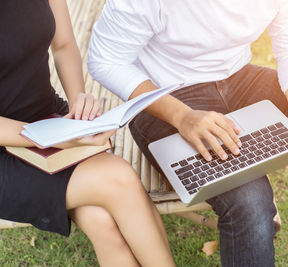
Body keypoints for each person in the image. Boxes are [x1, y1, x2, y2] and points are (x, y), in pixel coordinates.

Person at [87, 0, 288, 266]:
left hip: (239, 77)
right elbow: (105, 59)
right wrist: (182, 116)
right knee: (250, 201)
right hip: (167, 95)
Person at [0, 1, 176, 266]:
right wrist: (54, 137)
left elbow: (63, 45)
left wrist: (78, 107)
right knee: (118, 179)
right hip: (9, 149)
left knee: (99, 219)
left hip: (50, 118)